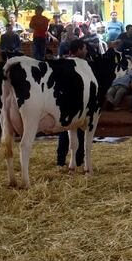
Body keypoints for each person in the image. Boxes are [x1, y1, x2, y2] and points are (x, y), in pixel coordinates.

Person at [56, 39, 87, 169]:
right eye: (84, 48)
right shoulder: (82, 64)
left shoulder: (63, 63)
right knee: (78, 133)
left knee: (65, 132)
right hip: (76, 103)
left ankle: (61, 161)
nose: (86, 51)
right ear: (79, 50)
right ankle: (77, 161)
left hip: (64, 104)